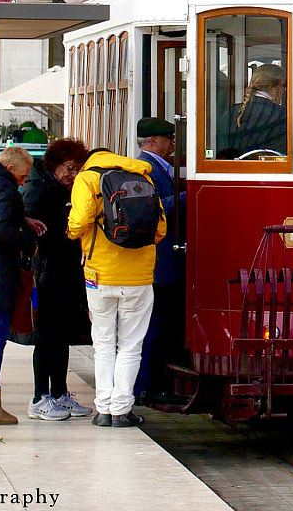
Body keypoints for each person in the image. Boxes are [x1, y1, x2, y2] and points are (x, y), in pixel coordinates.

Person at [67, 145, 166, 428]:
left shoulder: (87, 179)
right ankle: (123, 410)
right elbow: (160, 229)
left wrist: (73, 232)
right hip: (139, 277)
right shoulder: (142, 177)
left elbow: (80, 218)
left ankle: (104, 410)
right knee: (131, 346)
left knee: (103, 343)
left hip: (100, 275)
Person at [18, 138, 92, 422]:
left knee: (61, 336)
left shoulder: (59, 187)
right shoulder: (39, 190)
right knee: (46, 335)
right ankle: (40, 397)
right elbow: (39, 234)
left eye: (77, 169)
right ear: (55, 164)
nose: (72, 175)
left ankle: (59, 393)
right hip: (46, 274)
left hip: (63, 271)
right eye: (69, 168)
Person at [0, 144, 43, 426]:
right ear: (11, 169)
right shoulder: (3, 187)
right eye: (24, 177)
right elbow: (0, 228)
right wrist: (29, 242)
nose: (24, 183)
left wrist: (21, 219)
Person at [134, 118, 188, 411]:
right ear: (153, 141)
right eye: (169, 137)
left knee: (160, 325)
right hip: (162, 261)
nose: (173, 142)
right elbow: (153, 205)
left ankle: (150, 384)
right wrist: (188, 195)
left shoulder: (156, 167)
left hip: (166, 261)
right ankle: (148, 386)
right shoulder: (147, 169)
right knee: (155, 326)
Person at [225, 64, 286, 159]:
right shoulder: (282, 115)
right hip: (269, 170)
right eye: (283, 86)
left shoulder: (232, 111)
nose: (284, 90)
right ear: (272, 87)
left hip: (232, 169)